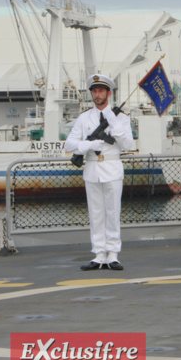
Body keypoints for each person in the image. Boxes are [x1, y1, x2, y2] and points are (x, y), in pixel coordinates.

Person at [65, 74, 134, 271]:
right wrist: (88, 145)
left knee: (113, 212)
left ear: (108, 93)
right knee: (96, 214)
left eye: (101, 91)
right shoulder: (84, 117)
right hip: (92, 167)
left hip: (112, 167)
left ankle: (113, 254)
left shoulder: (121, 118)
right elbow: (69, 144)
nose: (97, 95)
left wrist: (114, 124)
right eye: (94, 91)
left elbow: (128, 145)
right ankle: (99, 254)